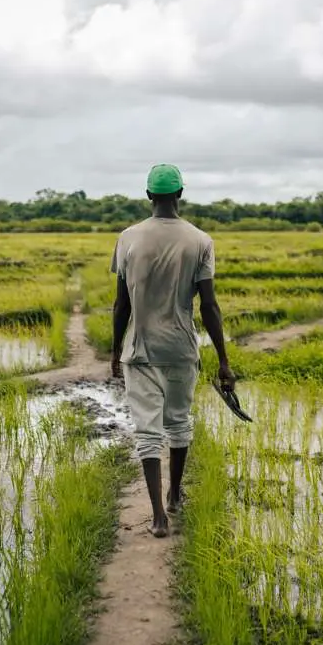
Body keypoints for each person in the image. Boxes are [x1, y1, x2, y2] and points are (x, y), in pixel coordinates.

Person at [110, 164, 236, 538]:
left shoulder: (128, 238)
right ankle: (175, 497)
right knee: (178, 422)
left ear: (149, 195)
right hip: (182, 348)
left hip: (141, 348)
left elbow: (121, 305)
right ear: (181, 193)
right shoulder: (200, 240)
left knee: (148, 431)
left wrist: (115, 350)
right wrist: (224, 360)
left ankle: (157, 517)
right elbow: (209, 306)